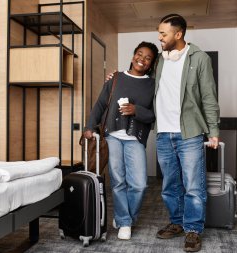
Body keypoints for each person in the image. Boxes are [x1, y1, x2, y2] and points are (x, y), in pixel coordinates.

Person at [154, 14, 220, 252]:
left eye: (164, 33)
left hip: (189, 132)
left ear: (178, 34)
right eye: (159, 32)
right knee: (170, 185)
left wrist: (213, 130)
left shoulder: (198, 58)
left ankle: (192, 229)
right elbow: (142, 80)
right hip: (163, 133)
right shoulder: (159, 60)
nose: (159, 37)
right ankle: (177, 222)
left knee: (193, 185)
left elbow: (209, 97)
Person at [84, 41, 159, 240]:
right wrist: (89, 126)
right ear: (133, 55)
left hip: (135, 139)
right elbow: (100, 104)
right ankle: (125, 222)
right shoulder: (115, 78)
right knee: (118, 181)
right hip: (113, 136)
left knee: (140, 184)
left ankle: (126, 217)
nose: (141, 59)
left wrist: (137, 110)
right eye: (139, 54)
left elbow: (154, 115)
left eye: (147, 58)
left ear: (151, 64)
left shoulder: (153, 85)